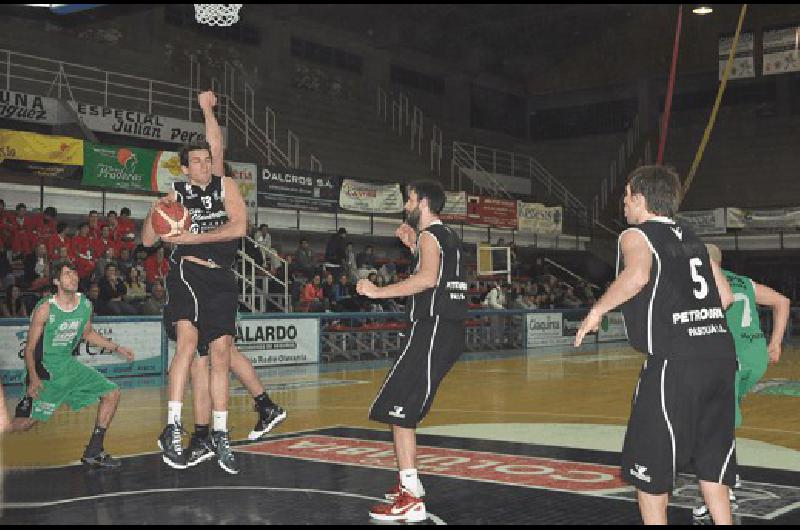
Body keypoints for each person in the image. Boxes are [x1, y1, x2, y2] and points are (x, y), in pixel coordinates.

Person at [574, 165, 737, 525]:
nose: (624, 204)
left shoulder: (636, 235)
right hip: (722, 358)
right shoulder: (694, 238)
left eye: (627, 195)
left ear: (641, 198)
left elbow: (636, 276)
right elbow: (725, 296)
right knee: (713, 465)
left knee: (651, 470)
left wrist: (597, 310)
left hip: (676, 362)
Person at [142, 90, 245, 473]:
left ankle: (219, 432)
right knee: (187, 342)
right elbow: (148, 241)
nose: (204, 164)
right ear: (185, 168)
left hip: (222, 279)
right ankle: (172, 424)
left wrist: (206, 110)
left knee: (220, 356)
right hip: (187, 271)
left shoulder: (226, 187)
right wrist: (152, 215)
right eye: (196, 161)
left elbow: (238, 227)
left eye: (207, 159)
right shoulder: (177, 197)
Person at [357, 180, 467, 523]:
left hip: (432, 328)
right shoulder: (446, 236)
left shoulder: (431, 236)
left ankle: (410, 498)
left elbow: (428, 280)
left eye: (409, 199)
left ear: (422, 202)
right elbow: (436, 273)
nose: (406, 204)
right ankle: (411, 485)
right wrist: (414, 249)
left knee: (397, 408)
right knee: (398, 407)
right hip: (441, 330)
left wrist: (377, 292)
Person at [692, 244, 791, 519]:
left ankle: (724, 489)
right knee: (722, 419)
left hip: (729, 360)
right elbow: (782, 301)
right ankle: (725, 477)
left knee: (714, 426)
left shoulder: (701, 280)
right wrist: (776, 343)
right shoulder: (743, 281)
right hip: (755, 357)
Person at [10, 261, 134, 468]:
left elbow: (87, 334)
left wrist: (117, 348)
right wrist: (33, 378)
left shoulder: (85, 304)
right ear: (57, 281)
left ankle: (94, 450)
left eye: (75, 274)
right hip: (46, 371)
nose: (73, 277)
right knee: (25, 423)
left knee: (112, 393)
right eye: (67, 274)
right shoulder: (45, 308)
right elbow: (30, 350)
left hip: (68, 366)